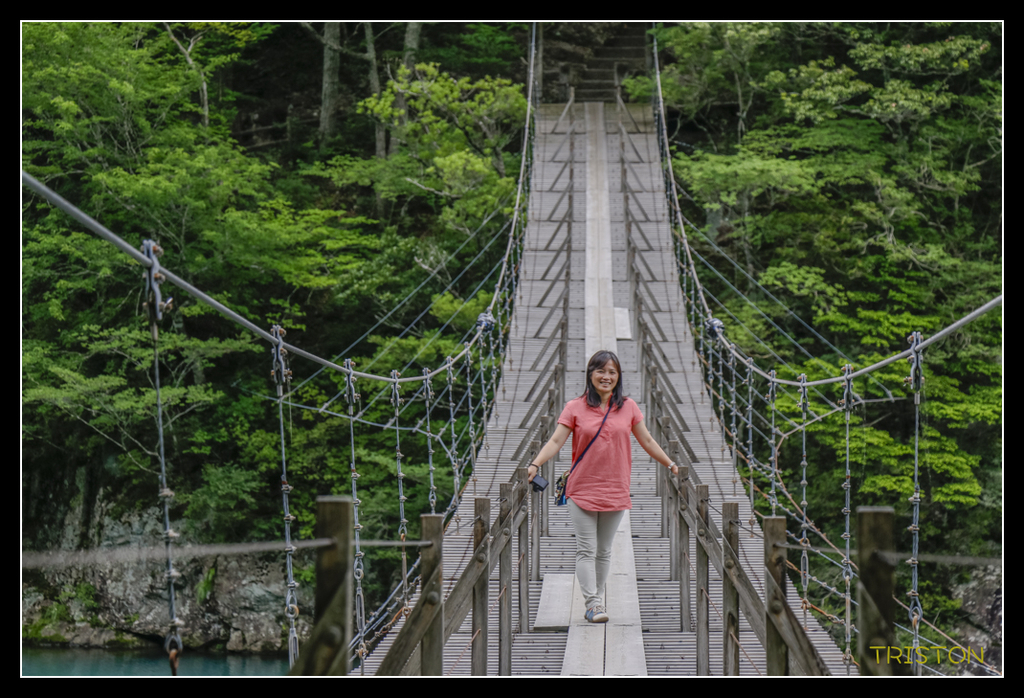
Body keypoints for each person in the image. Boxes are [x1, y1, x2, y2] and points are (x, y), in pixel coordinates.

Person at [526, 350, 679, 623]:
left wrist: (670, 464)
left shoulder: (629, 406)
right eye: (601, 371)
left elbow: (647, 441)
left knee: (604, 549)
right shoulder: (574, 407)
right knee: (586, 548)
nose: (606, 377)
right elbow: (555, 441)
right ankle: (594, 603)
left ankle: (594, 598)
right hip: (582, 487)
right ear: (590, 374)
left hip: (616, 488)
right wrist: (535, 464)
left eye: (612, 372)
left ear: (618, 377)